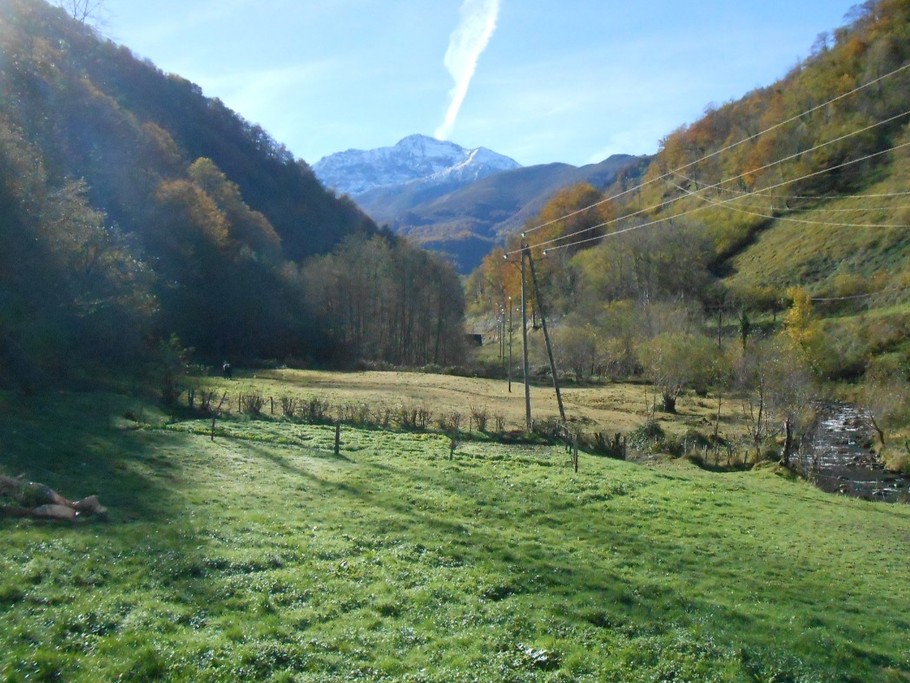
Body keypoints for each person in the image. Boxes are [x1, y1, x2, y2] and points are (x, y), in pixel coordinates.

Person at [0, 475, 106, 521]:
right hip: (33, 490)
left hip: (31, 493)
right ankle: (88, 505)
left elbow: (12, 485)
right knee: (69, 506)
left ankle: (87, 507)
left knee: (67, 508)